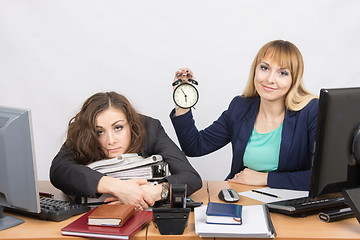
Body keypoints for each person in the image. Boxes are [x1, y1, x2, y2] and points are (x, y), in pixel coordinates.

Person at [170, 40, 318, 191]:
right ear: (255, 69)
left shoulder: (311, 112)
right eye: (264, 68)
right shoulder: (240, 108)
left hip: (289, 204)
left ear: (294, 80)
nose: (270, 79)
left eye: (282, 73)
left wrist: (265, 178)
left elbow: (319, 178)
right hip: (242, 196)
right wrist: (183, 101)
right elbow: (194, 146)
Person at [50, 91, 202, 209]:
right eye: (99, 132)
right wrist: (118, 187)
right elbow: (59, 170)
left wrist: (153, 192)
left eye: (118, 128)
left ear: (131, 124)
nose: (111, 140)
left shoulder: (149, 128)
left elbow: (191, 177)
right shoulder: (82, 132)